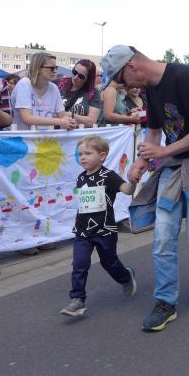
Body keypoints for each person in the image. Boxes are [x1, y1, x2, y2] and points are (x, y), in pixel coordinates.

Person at [101, 45, 189, 332]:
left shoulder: (183, 77)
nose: (125, 87)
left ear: (132, 66)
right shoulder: (151, 89)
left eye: (122, 80)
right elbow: (154, 131)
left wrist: (162, 152)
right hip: (173, 168)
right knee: (163, 236)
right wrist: (142, 161)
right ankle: (165, 302)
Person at [60, 135, 137, 317]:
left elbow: (127, 190)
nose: (83, 157)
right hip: (83, 231)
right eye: (80, 154)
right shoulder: (81, 178)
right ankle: (77, 300)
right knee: (79, 264)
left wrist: (132, 181)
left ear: (102, 156)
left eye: (88, 153)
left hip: (105, 230)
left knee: (109, 263)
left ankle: (126, 277)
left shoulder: (108, 176)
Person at [11, 52, 78, 131]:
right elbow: (27, 118)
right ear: (38, 68)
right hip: (23, 137)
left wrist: (69, 121)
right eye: (52, 68)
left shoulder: (53, 88)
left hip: (46, 137)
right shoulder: (24, 84)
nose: (55, 71)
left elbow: (62, 115)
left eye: (56, 68)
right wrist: (61, 121)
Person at [56, 59, 102, 127]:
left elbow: (92, 121)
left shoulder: (94, 92)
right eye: (74, 72)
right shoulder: (59, 83)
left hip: (78, 133)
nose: (76, 77)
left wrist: (70, 114)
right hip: (56, 131)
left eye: (81, 76)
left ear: (88, 79)